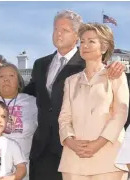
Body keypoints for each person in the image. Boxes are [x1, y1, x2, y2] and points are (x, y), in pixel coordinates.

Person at [23, 10, 126, 180]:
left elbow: (121, 110)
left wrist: (102, 141)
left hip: (94, 151)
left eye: (64, 30)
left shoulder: (106, 68)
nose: (58, 33)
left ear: (76, 35)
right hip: (47, 150)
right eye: (55, 29)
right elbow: (28, 93)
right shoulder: (40, 64)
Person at [58, 22, 129, 180]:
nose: (85, 45)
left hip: (110, 160)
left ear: (104, 48)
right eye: (82, 41)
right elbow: (64, 118)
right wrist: (70, 142)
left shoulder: (116, 75)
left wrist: (97, 144)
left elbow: (120, 114)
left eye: (91, 41)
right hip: (73, 160)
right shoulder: (70, 81)